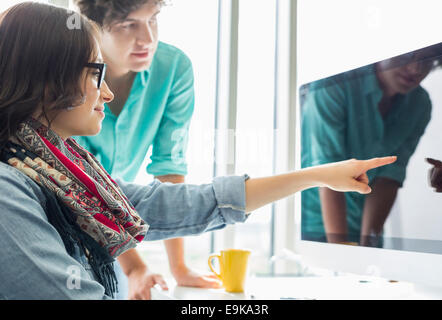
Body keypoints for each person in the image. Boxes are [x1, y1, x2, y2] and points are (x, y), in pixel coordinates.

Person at [0, 2, 396, 299]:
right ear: (51, 79)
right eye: (94, 73)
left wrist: (314, 176)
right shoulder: (8, 190)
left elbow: (183, 202)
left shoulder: (61, 170)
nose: (106, 91)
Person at [71, 0, 217, 297]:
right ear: (94, 29)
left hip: (113, 220)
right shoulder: (68, 74)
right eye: (129, 25)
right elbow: (81, 183)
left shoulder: (174, 68)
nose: (148, 39)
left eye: (153, 20)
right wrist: (135, 266)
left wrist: (179, 267)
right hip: (67, 214)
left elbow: (170, 165)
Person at [301, 44, 442, 246]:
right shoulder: (333, 85)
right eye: (406, 55)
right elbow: (328, 172)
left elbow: (389, 176)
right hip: (318, 224)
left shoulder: (419, 104)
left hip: (363, 224)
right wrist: (341, 247)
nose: (416, 69)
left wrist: (368, 243)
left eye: (427, 59)